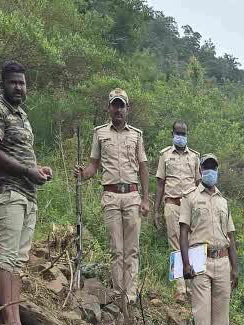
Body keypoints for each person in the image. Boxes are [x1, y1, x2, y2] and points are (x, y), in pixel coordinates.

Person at [0, 60, 52, 325]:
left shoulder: (23, 116)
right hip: (9, 192)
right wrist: (26, 171)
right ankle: (8, 323)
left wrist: (39, 170)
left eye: (22, 83)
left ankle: (17, 321)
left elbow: (21, 153)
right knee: (7, 256)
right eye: (13, 82)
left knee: (19, 260)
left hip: (28, 195)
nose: (18, 87)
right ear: (4, 84)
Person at [74, 88, 149, 308]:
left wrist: (145, 199)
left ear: (127, 109)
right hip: (111, 196)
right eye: (115, 105)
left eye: (122, 105)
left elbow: (143, 167)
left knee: (132, 249)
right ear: (109, 107)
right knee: (116, 249)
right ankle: (118, 293)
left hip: (132, 195)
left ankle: (130, 294)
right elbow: (93, 166)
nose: (118, 109)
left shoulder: (136, 135)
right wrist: (83, 175)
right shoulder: (99, 133)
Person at [179, 154, 238, 325]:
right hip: (199, 259)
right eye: (207, 167)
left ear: (217, 170)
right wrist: (186, 263)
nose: (210, 171)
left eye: (214, 167)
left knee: (221, 317)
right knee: (202, 314)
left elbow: (231, 235)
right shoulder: (191, 197)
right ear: (200, 169)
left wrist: (235, 267)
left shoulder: (224, 201)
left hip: (222, 260)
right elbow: (184, 231)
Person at [154, 120, 200, 303]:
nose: (181, 136)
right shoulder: (165, 155)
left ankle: (191, 288)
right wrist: (156, 211)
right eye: (178, 133)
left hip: (191, 207)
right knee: (175, 245)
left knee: (191, 245)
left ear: (187, 134)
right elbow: (160, 184)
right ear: (173, 133)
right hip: (172, 204)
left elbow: (199, 184)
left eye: (184, 133)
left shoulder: (195, 157)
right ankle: (179, 289)